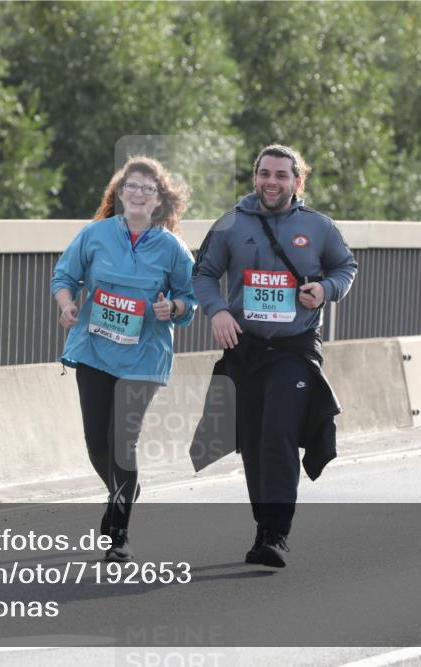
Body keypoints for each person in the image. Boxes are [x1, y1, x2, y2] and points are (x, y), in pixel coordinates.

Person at [192, 144, 358, 568]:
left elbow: (345, 267)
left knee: (278, 435)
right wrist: (218, 311)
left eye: (282, 175)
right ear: (255, 177)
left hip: (294, 349)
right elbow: (204, 274)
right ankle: (263, 527)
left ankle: (276, 534)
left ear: (298, 181)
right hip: (245, 349)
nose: (271, 182)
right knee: (251, 441)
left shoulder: (319, 227)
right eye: (265, 173)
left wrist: (325, 290)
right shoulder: (231, 224)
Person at [51, 156, 197, 562]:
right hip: (96, 351)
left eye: (147, 189)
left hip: (144, 358)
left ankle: (118, 532)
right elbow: (64, 277)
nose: (137, 194)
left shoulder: (171, 248)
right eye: (130, 186)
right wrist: (66, 305)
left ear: (158, 202)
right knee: (98, 443)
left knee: (122, 442)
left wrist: (176, 309)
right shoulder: (95, 235)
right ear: (118, 195)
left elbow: (191, 298)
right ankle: (124, 489)